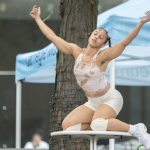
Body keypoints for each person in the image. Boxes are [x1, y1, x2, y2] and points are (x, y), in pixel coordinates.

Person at [30, 5, 150, 149]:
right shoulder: (76, 52)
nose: (96, 37)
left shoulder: (102, 56)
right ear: (89, 35)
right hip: (93, 102)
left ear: (103, 43)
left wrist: (141, 23)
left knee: (98, 122)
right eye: (95, 33)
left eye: (101, 37)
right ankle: (102, 127)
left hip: (110, 98)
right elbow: (52, 37)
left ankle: (137, 130)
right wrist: (37, 19)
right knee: (67, 126)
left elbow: (124, 43)